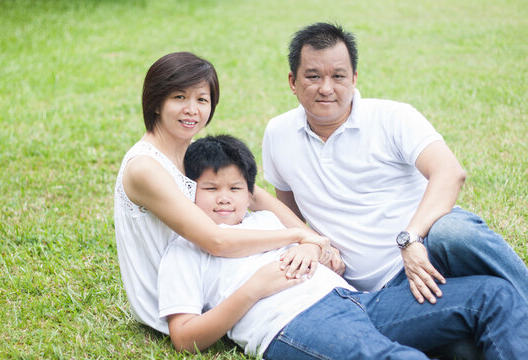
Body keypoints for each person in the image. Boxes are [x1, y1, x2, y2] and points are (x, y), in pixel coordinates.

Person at [158, 134, 528, 359]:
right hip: (294, 323)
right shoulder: (184, 252)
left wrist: (312, 247)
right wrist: (253, 290)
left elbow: (315, 242)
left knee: (492, 294)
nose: (224, 199)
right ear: (189, 191)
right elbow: (185, 338)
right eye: (211, 189)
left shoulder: (265, 221)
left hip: (358, 301)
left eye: (235, 189)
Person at [262, 22, 528, 305]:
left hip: (428, 247)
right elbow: (289, 216)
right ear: (292, 81)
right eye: (313, 76)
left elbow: (449, 172)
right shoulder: (278, 134)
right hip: (381, 292)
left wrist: (411, 239)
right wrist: (315, 246)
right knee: (468, 339)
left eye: (338, 76)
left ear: (353, 78)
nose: (326, 88)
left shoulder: (392, 117)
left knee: (453, 232)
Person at [114, 52, 334, 335]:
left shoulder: (190, 151)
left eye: (202, 100)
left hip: (211, 281)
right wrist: (297, 236)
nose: (192, 109)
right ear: (156, 103)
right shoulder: (145, 167)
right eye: (179, 98)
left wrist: (312, 241)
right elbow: (216, 241)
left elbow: (254, 196)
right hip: (177, 304)